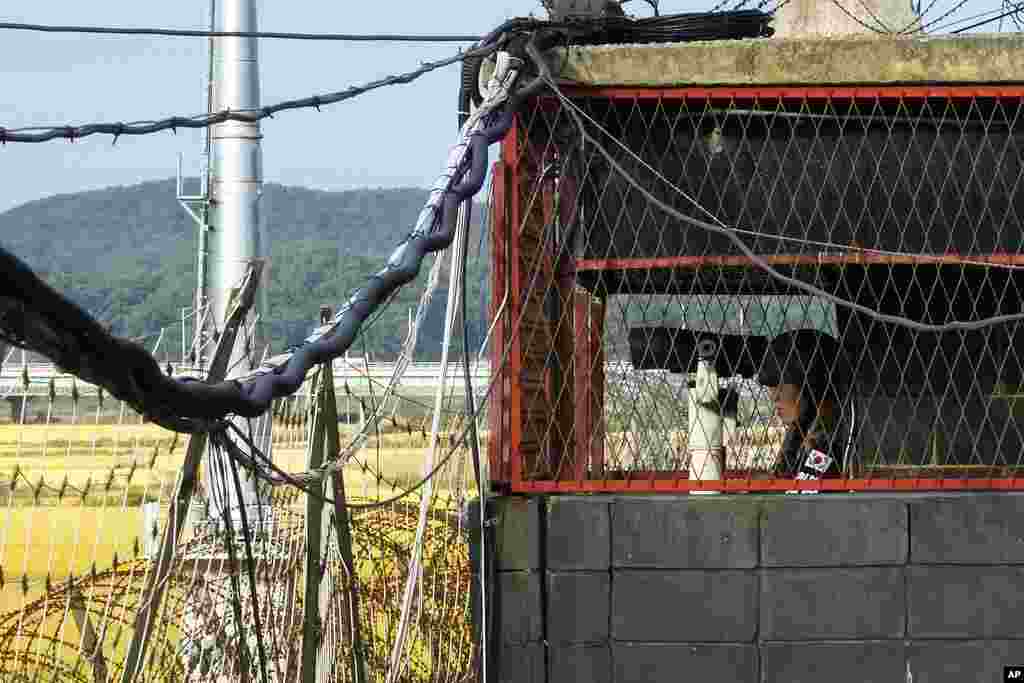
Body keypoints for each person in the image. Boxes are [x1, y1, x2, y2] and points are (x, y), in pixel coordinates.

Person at [755, 329, 854, 482]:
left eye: (782, 384)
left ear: (813, 387)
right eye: (771, 386)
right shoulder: (800, 437)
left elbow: (799, 497)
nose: (774, 397)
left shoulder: (829, 445)